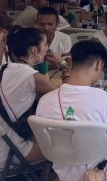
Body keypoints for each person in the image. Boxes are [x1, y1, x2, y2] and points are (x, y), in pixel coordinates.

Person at [36, 40, 107, 181]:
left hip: (63, 171)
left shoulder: (45, 101)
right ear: (98, 65)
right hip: (104, 169)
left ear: (71, 62)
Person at [0, 27, 66, 170]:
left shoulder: (6, 68)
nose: (47, 48)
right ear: (34, 50)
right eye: (45, 44)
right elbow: (67, 94)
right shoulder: (28, 75)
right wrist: (63, 64)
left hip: (6, 140)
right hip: (11, 152)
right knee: (68, 145)